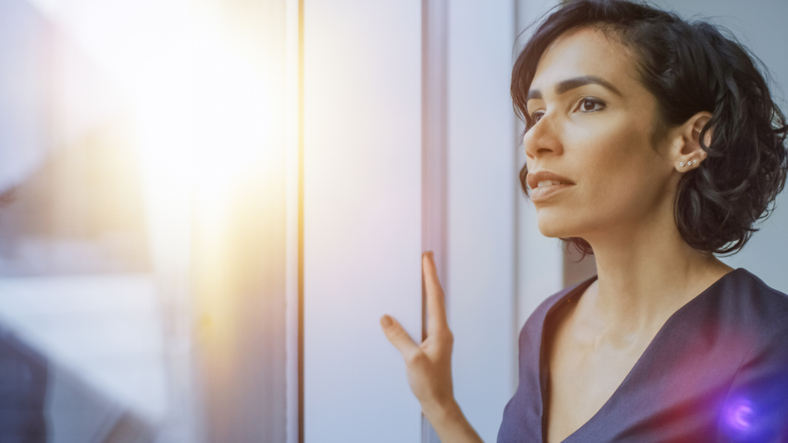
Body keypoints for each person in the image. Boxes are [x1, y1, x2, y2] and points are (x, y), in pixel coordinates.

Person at [379, 0, 788, 441]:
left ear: (690, 143)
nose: (534, 140)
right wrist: (441, 406)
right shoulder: (547, 324)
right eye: (536, 114)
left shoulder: (768, 342)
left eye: (587, 104)